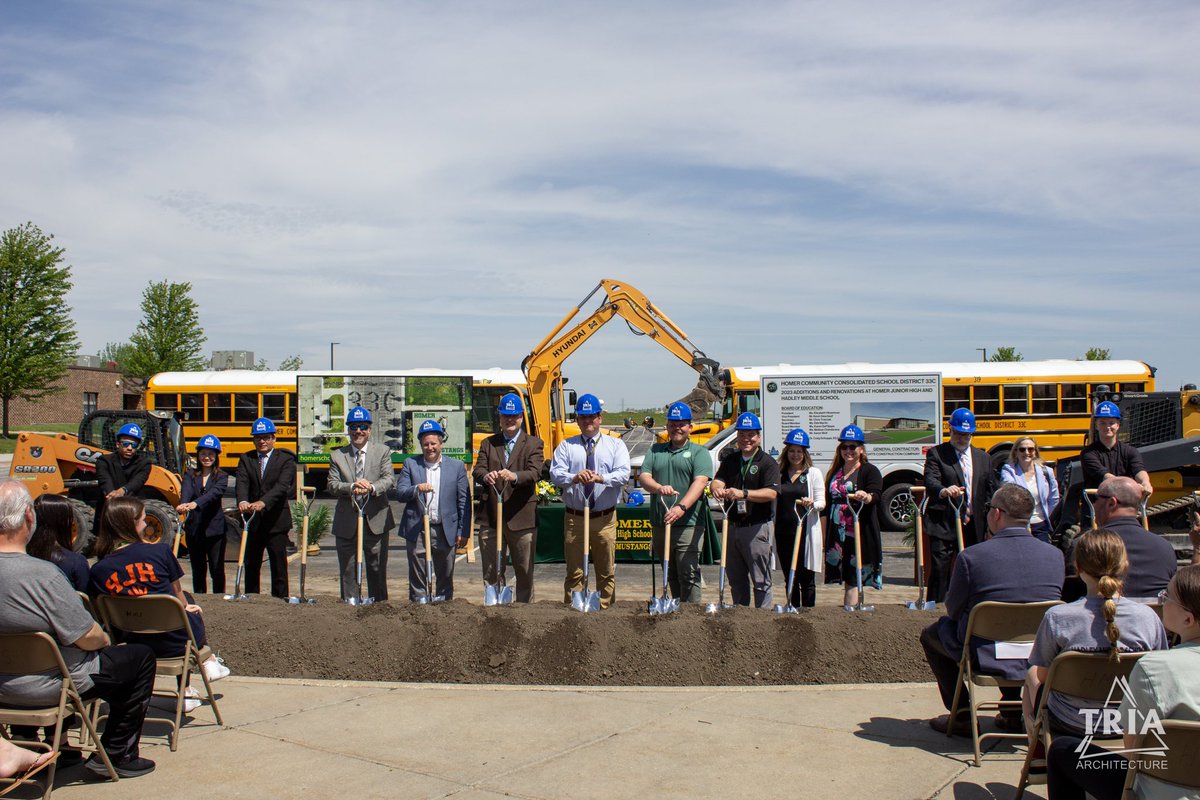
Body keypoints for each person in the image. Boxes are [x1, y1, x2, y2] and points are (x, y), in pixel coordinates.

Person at [0, 479, 157, 778]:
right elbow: (86, 636)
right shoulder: (43, 575)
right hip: (53, 686)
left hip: (4, 685)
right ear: (28, 518)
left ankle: (32, 745)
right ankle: (117, 752)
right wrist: (106, 639)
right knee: (139, 658)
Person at [920, 483, 1066, 735]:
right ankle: (1011, 713)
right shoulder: (1055, 556)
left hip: (985, 653)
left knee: (933, 634)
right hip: (1038, 654)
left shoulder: (972, 557)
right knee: (1016, 632)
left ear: (996, 514)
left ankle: (963, 714)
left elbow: (953, 610)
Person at [1046, 564, 1200, 800]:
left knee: (1061, 750)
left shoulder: (1153, 669)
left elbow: (1133, 751)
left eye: (1167, 596)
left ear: (1188, 619)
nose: (1162, 601)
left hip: (1161, 792)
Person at [1023, 529, 1168, 768]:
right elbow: (1159, 671)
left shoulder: (1058, 617)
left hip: (1072, 720)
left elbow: (1044, 675)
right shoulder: (1148, 618)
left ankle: (1038, 748)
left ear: (1078, 568)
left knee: (1032, 674)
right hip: (1131, 721)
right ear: (1125, 565)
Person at [90, 496, 231, 698]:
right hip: (175, 641)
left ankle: (194, 683)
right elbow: (178, 596)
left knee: (173, 607)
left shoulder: (99, 569)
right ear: (132, 524)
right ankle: (198, 673)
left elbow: (100, 612)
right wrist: (186, 606)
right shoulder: (160, 551)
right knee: (187, 603)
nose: (146, 523)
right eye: (142, 519)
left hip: (130, 641)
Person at [550, 393, 631, 609]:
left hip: (604, 518)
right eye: (583, 417)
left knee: (606, 570)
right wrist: (574, 477)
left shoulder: (615, 445)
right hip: (575, 518)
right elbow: (555, 474)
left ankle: (605, 611)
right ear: (577, 419)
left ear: (600, 418)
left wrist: (601, 478)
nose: (588, 422)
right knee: (574, 571)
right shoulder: (567, 446)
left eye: (592, 417)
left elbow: (624, 474)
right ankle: (573, 611)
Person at [638, 401, 714, 604]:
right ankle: (676, 611)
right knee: (669, 571)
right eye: (672, 424)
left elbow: (700, 482)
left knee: (688, 571)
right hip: (661, 521)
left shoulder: (699, 453)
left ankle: (692, 615)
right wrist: (657, 488)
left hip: (688, 522)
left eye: (681, 424)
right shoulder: (656, 450)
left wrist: (681, 507)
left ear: (690, 427)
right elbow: (644, 477)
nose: (677, 428)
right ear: (667, 426)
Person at [473, 393, 545, 603]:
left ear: (521, 417)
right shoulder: (489, 443)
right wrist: (486, 476)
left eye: (513, 416)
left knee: (524, 570)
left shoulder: (533, 444)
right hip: (492, 518)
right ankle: (495, 607)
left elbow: (535, 473)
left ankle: (524, 611)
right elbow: (478, 469)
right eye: (505, 416)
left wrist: (514, 476)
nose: (509, 420)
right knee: (491, 569)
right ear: (500, 418)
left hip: (521, 517)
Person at [923, 408, 997, 603]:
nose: (962, 438)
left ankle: (970, 607)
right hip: (944, 523)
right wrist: (944, 490)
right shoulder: (937, 454)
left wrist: (991, 523)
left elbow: (990, 490)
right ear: (950, 430)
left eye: (966, 434)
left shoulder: (984, 458)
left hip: (973, 525)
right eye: (958, 433)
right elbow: (930, 481)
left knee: (973, 569)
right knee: (940, 569)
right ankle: (936, 607)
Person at [1065, 476, 1176, 602]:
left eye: (1095, 498)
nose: (1094, 504)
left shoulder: (1084, 545)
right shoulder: (1165, 547)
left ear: (1112, 503)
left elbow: (1070, 600)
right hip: (1152, 620)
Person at [395, 419, 470, 602]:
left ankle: (444, 606)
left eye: (433, 443)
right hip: (418, 528)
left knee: (445, 573)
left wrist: (463, 531)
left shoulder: (456, 467)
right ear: (421, 444)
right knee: (417, 574)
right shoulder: (411, 464)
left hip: (445, 528)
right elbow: (400, 492)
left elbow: (463, 501)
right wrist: (416, 489)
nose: (430, 448)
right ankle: (419, 606)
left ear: (441, 443)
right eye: (425, 444)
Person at [710, 413, 779, 608]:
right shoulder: (731, 460)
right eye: (742, 435)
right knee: (736, 580)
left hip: (757, 527)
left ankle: (763, 619)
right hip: (732, 526)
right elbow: (718, 480)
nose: (746, 439)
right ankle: (740, 619)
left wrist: (744, 493)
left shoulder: (767, 462)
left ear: (759, 437)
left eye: (751, 435)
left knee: (761, 580)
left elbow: (772, 493)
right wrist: (717, 488)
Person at [327, 407, 396, 602]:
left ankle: (379, 606)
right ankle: (350, 606)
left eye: (363, 427)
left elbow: (389, 478)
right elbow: (332, 485)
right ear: (348, 429)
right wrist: (351, 486)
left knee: (377, 568)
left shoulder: (382, 451)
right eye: (354, 427)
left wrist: (371, 488)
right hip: (347, 522)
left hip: (376, 520)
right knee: (348, 569)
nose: (358, 431)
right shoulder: (337, 456)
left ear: (369, 430)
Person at [822, 425, 883, 608]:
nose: (848, 451)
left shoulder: (869, 470)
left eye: (852, 447)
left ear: (861, 449)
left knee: (854, 576)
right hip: (837, 535)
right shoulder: (835, 472)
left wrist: (867, 496)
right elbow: (827, 504)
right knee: (847, 576)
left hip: (858, 532)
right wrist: (825, 537)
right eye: (844, 447)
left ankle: (853, 613)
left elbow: (876, 494)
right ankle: (850, 612)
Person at [235, 417, 296, 598]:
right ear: (254, 439)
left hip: (276, 521)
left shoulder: (285, 459)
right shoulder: (246, 458)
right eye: (258, 438)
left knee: (278, 564)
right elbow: (242, 482)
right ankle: (252, 599)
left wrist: (264, 502)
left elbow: (282, 486)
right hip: (253, 522)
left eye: (266, 437)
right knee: (251, 563)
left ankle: (280, 599)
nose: (262, 441)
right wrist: (242, 501)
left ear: (274, 438)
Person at [773, 428, 825, 608]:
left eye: (799, 451)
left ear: (805, 454)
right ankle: (792, 608)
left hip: (805, 532)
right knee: (790, 575)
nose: (795, 455)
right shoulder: (779, 474)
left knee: (807, 578)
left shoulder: (813, 474)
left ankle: (809, 612)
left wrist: (812, 503)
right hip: (783, 532)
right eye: (792, 451)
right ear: (786, 452)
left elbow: (822, 502)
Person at [175, 434, 229, 594]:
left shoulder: (222, 476)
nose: (207, 457)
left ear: (216, 456)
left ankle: (219, 597)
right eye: (204, 453)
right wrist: (183, 504)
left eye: (211, 454)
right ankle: (200, 597)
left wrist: (195, 504)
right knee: (198, 568)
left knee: (216, 567)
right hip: (195, 529)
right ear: (198, 455)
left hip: (215, 529)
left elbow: (213, 494)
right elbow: (186, 491)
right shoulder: (190, 475)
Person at [1080, 401, 1153, 497]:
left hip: (1124, 504)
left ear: (1118, 425)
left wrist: (1145, 482)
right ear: (1096, 425)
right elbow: (1106, 477)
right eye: (1102, 423)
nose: (1107, 427)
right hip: (1097, 506)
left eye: (1111, 423)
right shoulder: (1088, 453)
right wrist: (1133, 487)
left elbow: (1139, 470)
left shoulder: (1130, 451)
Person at [94, 422, 152, 536]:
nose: (130, 448)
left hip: (131, 512)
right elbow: (105, 480)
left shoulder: (145, 464)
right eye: (126, 444)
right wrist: (111, 494)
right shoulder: (104, 461)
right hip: (107, 511)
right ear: (117, 444)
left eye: (134, 445)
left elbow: (137, 482)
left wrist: (122, 491)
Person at [999, 436, 1059, 544]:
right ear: (1015, 452)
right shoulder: (1008, 470)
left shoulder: (1047, 472)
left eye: (1030, 449)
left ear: (1035, 452)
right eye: (1022, 449)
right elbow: (1009, 490)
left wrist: (1045, 517)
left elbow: (1054, 499)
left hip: (1041, 526)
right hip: (1019, 525)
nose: (1027, 452)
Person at [26, 494, 89, 591]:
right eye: (70, 518)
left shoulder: (23, 557)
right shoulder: (76, 562)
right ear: (63, 523)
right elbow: (85, 599)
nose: (72, 522)